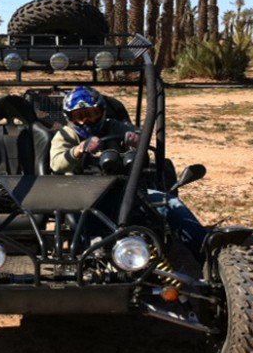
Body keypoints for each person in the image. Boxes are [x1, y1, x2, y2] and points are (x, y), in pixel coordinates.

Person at [50, 86, 210, 264]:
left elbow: (140, 144)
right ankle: (91, 252)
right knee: (82, 224)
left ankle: (207, 252)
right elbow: (56, 164)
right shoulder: (65, 135)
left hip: (126, 190)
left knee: (171, 203)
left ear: (102, 112)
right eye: (79, 116)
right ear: (70, 117)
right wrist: (78, 150)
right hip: (83, 195)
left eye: (92, 114)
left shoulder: (115, 126)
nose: (86, 121)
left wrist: (137, 141)